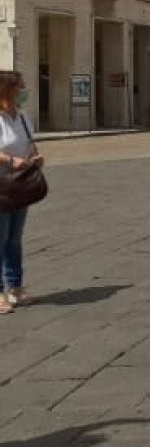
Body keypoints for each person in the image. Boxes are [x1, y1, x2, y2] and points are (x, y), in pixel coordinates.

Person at [0, 71, 43, 314]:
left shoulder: (23, 117)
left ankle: (15, 286)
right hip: (1, 184)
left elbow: (30, 144)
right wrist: (9, 160)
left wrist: (34, 158)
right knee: (0, 239)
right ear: (7, 90)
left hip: (20, 185)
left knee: (14, 239)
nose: (24, 91)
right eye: (20, 87)